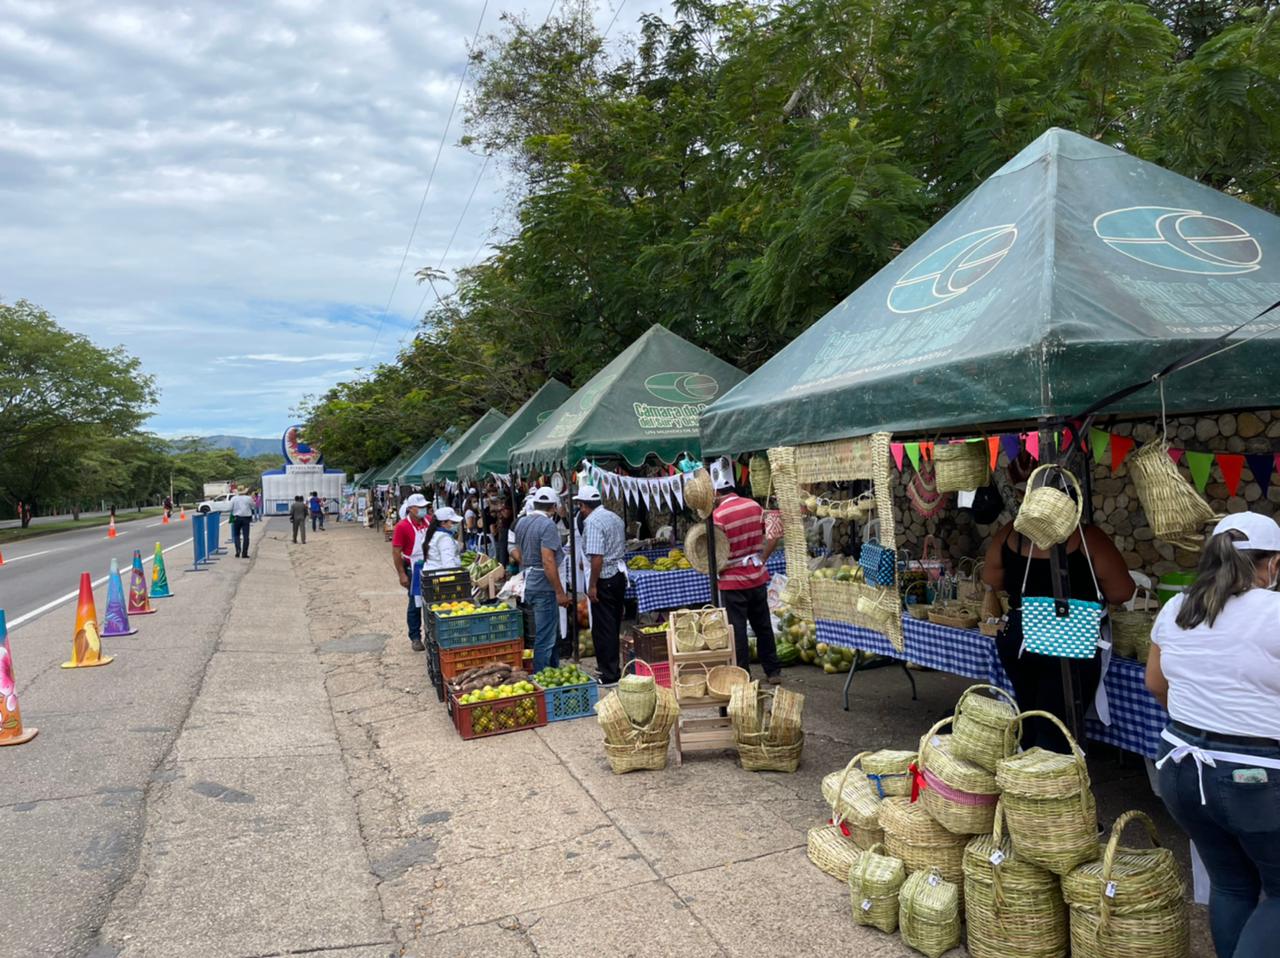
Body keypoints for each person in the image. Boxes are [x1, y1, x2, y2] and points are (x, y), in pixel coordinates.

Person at [1145, 513, 1280, 958]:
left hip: (1181, 766)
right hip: (1255, 775)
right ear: (1272, 564)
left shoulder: (1178, 607)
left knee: (1231, 881)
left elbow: (1156, 685)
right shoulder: (1274, 612)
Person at [983, 464, 1133, 752]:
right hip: (1071, 638)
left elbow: (991, 580)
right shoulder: (1089, 539)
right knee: (1059, 723)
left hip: (1020, 636)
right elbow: (1121, 592)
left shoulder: (1009, 534)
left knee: (1029, 709)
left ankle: (1027, 765)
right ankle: (1048, 779)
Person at [710, 458, 783, 684]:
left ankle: (743, 674)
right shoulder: (753, 506)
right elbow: (775, 534)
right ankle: (773, 672)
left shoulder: (718, 516)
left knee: (737, 630)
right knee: (762, 626)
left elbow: (715, 552)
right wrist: (762, 558)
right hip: (757, 575)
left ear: (716, 492)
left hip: (732, 582)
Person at [512, 487, 570, 671]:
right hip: (543, 585)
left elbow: (517, 554)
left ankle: (553, 670)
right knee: (545, 636)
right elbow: (548, 560)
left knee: (550, 631)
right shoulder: (547, 525)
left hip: (530, 581)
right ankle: (542, 676)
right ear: (553, 507)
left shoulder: (522, 523)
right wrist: (560, 592)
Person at [576, 485, 627, 685]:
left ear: (584, 506)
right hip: (618, 575)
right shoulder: (614, 517)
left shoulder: (593, 522)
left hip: (604, 577)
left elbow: (597, 558)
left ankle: (609, 674)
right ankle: (612, 665)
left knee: (603, 627)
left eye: (580, 506)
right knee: (613, 623)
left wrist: (592, 585)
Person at [391, 493, 431, 651]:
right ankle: (415, 636)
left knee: (431, 603)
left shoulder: (428, 520)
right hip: (413, 567)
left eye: (424, 507)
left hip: (430, 564)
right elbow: (396, 551)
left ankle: (431, 635)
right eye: (420, 507)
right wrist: (401, 573)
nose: (423, 510)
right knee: (415, 603)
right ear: (411, 509)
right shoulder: (402, 526)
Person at [228, 488, 254, 558]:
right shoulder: (249, 498)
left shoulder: (234, 498)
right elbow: (253, 506)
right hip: (246, 518)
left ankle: (238, 550)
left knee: (236, 535)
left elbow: (230, 508)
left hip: (236, 518)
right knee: (246, 536)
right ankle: (244, 553)